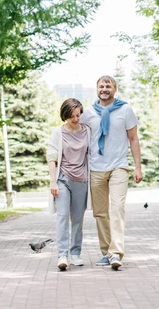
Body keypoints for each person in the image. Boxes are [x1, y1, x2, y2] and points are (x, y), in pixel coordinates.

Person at [81, 75, 143, 270]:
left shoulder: (125, 110)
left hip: (119, 167)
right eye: (101, 85)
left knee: (117, 208)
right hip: (96, 168)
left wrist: (138, 167)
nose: (105, 88)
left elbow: (133, 139)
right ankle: (106, 252)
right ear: (97, 89)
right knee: (100, 213)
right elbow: (79, 137)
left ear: (115, 89)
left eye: (108, 85)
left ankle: (116, 253)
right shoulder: (88, 113)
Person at [46, 98, 91, 270]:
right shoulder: (58, 133)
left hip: (82, 180)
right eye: (72, 116)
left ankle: (75, 254)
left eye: (78, 115)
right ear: (65, 115)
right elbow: (52, 157)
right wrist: (52, 182)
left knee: (78, 220)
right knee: (63, 217)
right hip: (63, 179)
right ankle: (62, 255)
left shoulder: (87, 131)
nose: (75, 119)